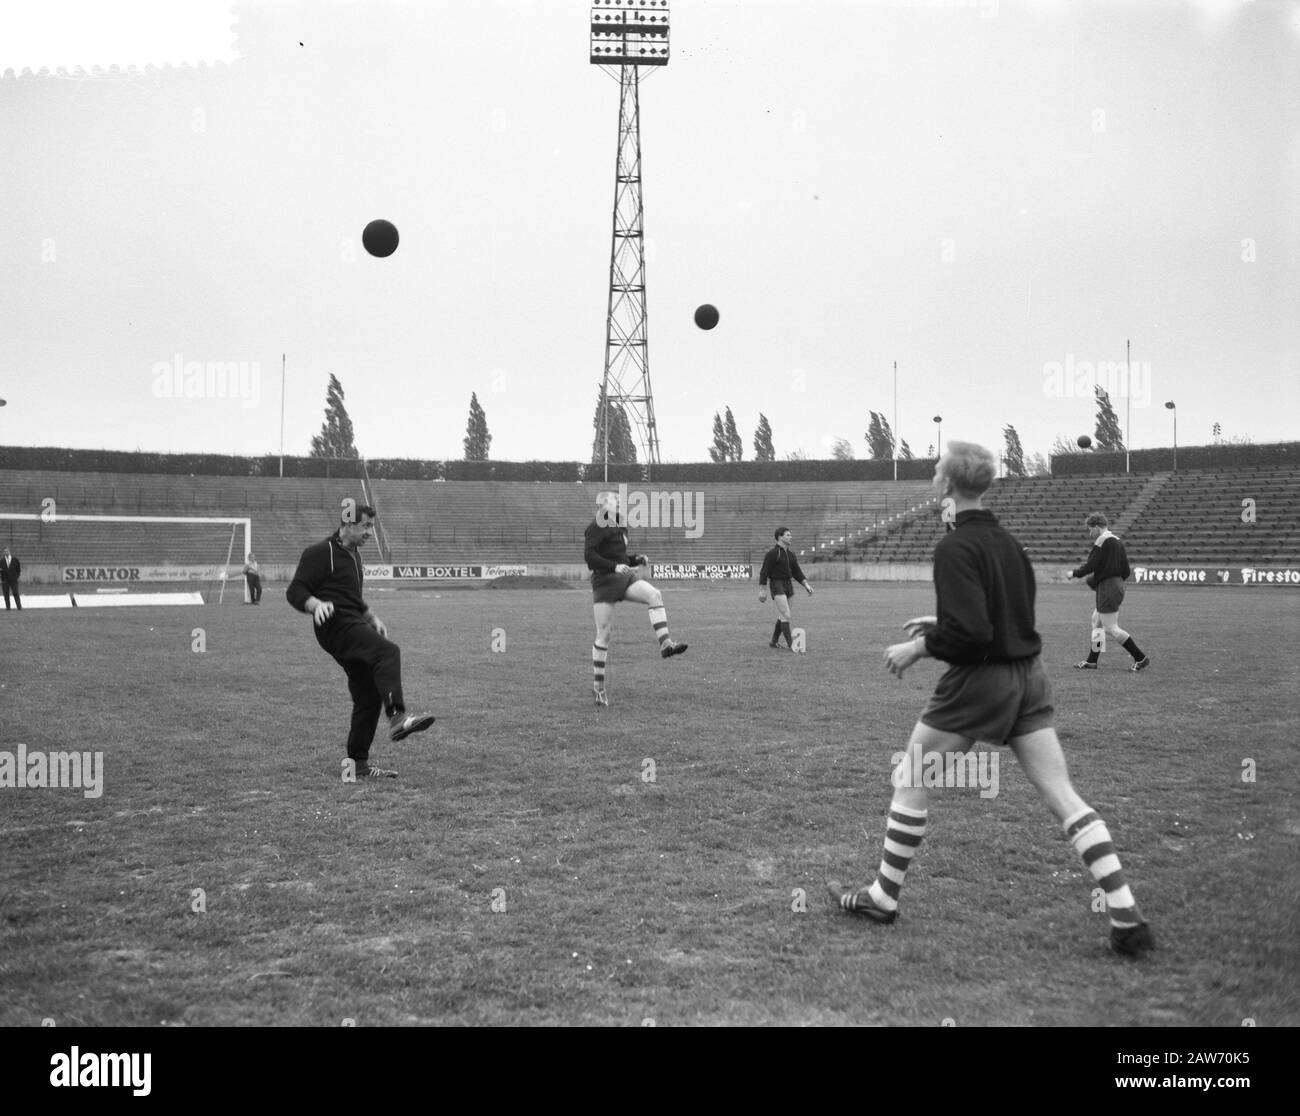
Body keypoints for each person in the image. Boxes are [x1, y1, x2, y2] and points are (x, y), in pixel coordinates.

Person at [826, 442, 1154, 958]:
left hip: (980, 680)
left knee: (911, 778)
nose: (934, 478)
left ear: (948, 485)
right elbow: (1009, 617)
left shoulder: (953, 547)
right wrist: (945, 623)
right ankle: (1125, 913)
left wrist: (920, 647)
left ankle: (882, 897)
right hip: (1029, 676)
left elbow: (975, 636)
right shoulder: (1009, 543)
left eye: (937, 471)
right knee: (1064, 797)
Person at [286, 504, 435, 779]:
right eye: (366, 526)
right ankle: (398, 718)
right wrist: (314, 603)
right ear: (347, 523)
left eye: (372, 527)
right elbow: (295, 590)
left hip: (353, 623)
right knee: (388, 652)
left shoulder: (355, 557)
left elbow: (352, 597)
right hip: (334, 625)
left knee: (367, 692)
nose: (370, 533)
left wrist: (370, 616)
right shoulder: (319, 553)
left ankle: (357, 765)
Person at [584, 490, 687, 707]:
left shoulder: (619, 524)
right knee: (604, 634)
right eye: (614, 499)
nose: (619, 501)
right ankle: (598, 689)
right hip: (605, 581)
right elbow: (590, 556)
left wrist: (636, 558)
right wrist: (614, 566)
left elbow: (620, 558)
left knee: (654, 595)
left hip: (624, 576)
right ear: (603, 504)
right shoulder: (596, 525)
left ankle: (666, 644)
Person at [1069, 513, 1149, 671]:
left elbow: (1091, 564)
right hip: (1115, 584)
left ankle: (1140, 657)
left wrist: (1074, 573)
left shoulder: (1102, 540)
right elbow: (1126, 569)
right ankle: (1092, 661)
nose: (1089, 533)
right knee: (1096, 621)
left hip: (1108, 587)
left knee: (1111, 627)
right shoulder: (1117, 541)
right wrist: (1115, 580)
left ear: (1097, 527)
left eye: (1090, 530)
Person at [758, 526, 812, 649]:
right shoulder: (772, 554)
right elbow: (764, 572)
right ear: (780, 537)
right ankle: (792, 645)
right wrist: (762, 590)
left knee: (784, 615)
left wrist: (806, 585)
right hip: (777, 584)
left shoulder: (791, 554)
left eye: (790, 535)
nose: (790, 537)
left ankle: (773, 642)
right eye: (788, 535)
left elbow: (797, 572)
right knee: (786, 614)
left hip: (788, 584)